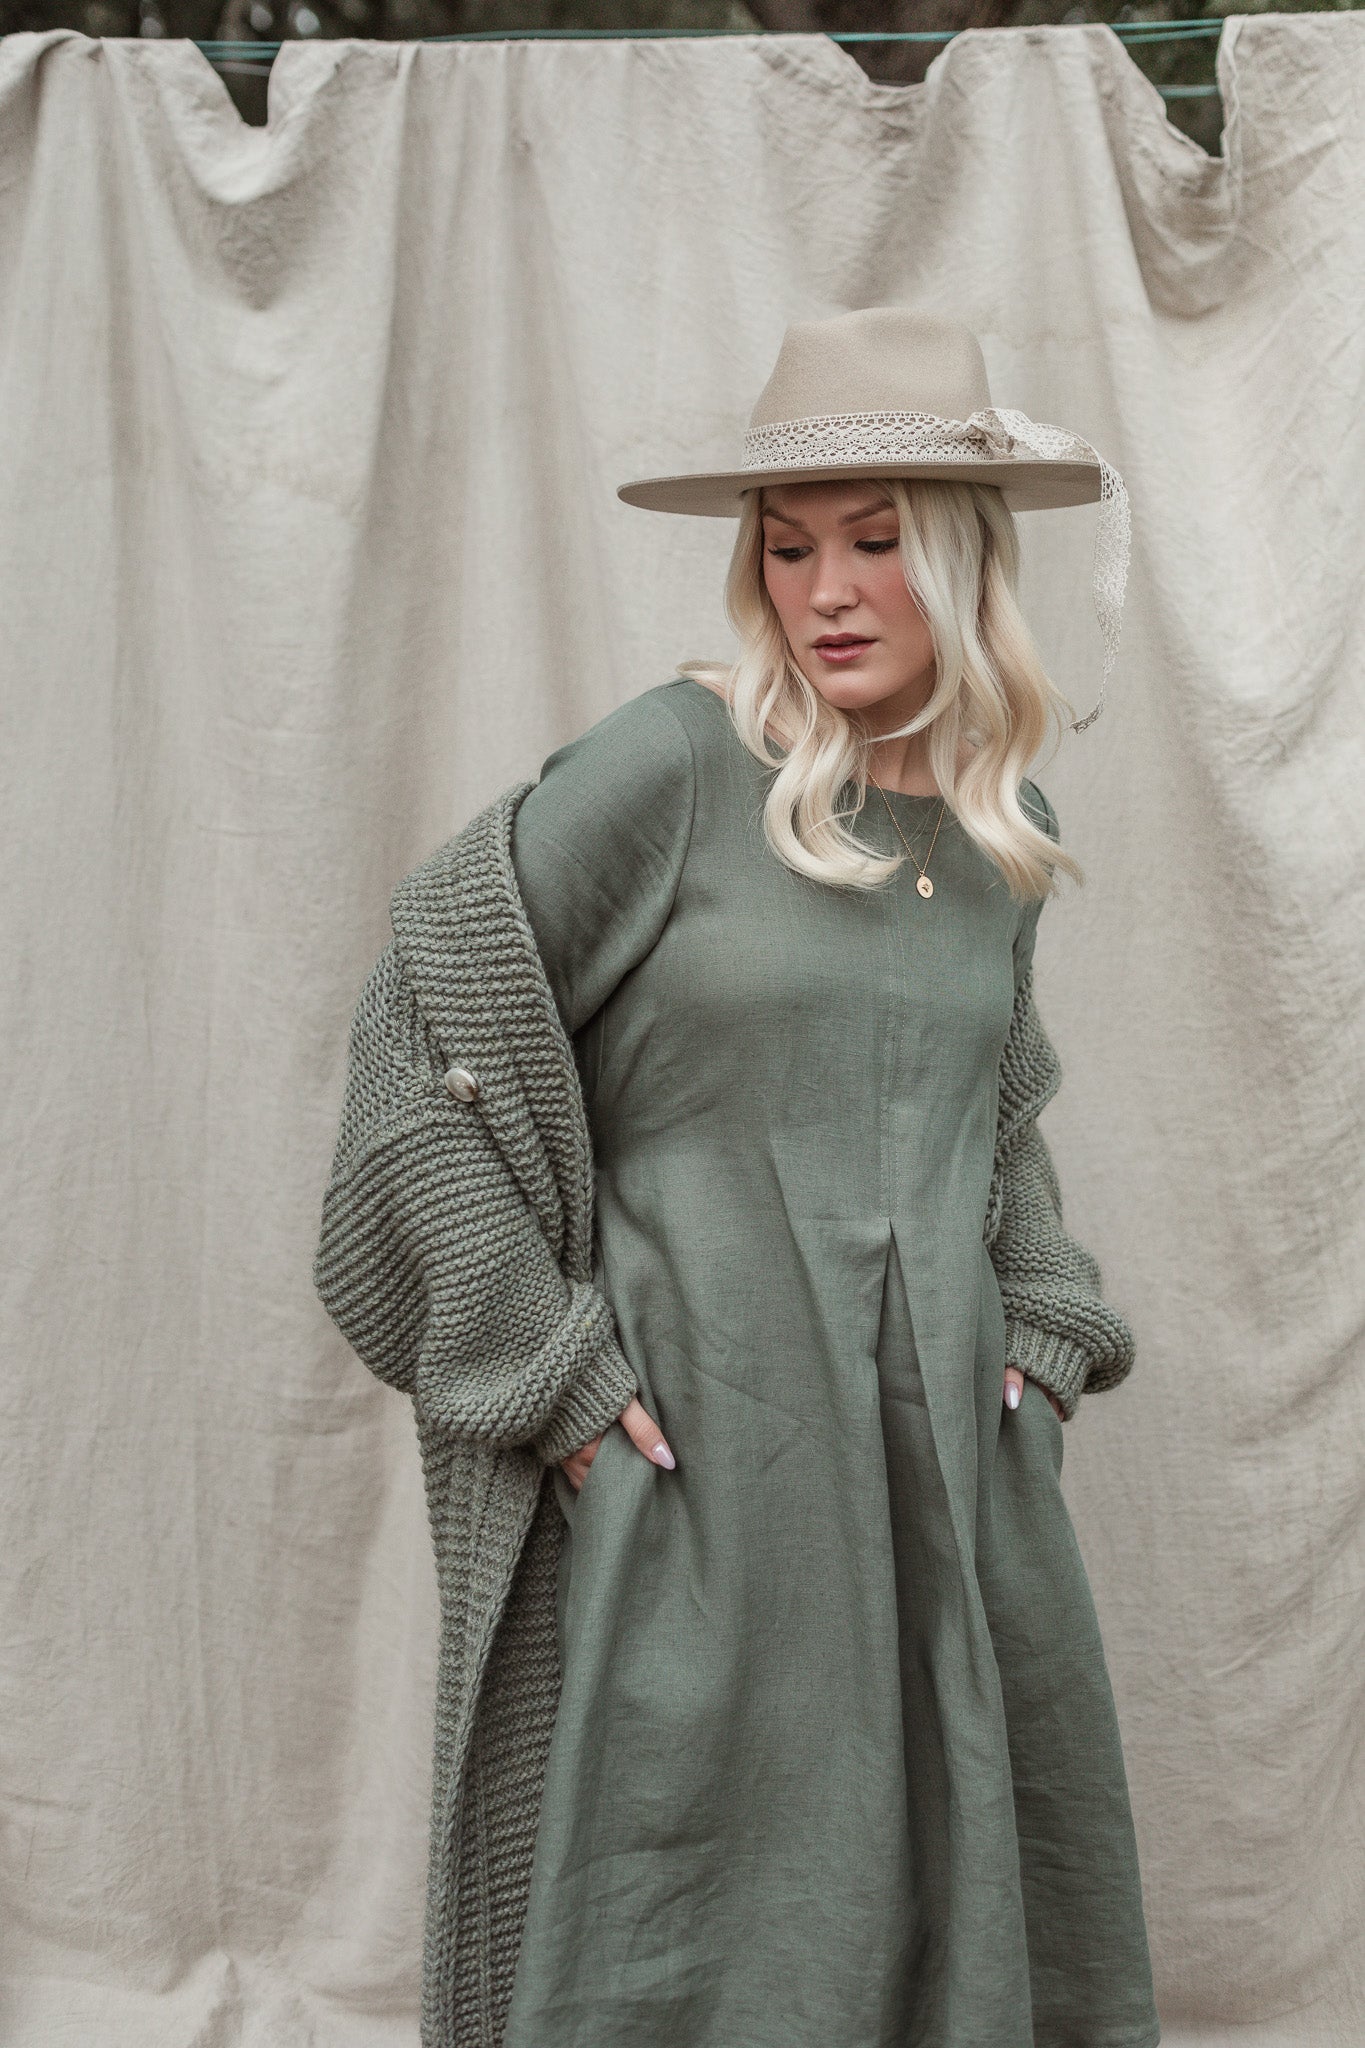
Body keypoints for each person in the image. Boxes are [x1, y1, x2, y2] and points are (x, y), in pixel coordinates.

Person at [313, 305, 1159, 2048]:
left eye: (876, 542)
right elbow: (417, 1040)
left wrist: (1041, 1321)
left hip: (946, 1467)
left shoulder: (1004, 833)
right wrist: (544, 1371)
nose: (824, 592)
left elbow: (991, 1115)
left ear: (964, 558)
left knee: (946, 1895)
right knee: (684, 1912)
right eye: (787, 548)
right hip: (703, 1456)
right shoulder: (676, 765)